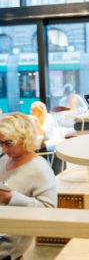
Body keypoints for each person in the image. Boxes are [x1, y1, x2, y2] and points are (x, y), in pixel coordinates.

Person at [0, 112, 57, 260]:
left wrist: (12, 198)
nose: (4, 149)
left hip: (8, 245)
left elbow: (50, 211)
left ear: (24, 138)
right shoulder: (4, 159)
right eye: (1, 143)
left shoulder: (40, 169)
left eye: (8, 143)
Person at [30, 101, 63, 175]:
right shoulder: (34, 119)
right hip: (42, 145)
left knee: (38, 148)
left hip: (51, 144)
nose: (31, 112)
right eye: (31, 110)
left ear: (40, 111)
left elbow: (42, 132)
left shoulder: (48, 117)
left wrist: (36, 122)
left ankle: (46, 172)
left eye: (34, 110)